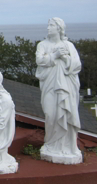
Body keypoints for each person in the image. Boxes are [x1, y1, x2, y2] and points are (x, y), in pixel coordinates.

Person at [35, 17, 83, 164]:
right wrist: (55, 55)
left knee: (66, 113)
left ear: (59, 29)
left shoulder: (68, 45)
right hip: (49, 84)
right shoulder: (42, 45)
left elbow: (77, 65)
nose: (48, 28)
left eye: (51, 25)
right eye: (48, 25)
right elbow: (39, 60)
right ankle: (50, 144)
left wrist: (65, 58)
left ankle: (67, 147)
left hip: (66, 86)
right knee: (50, 114)